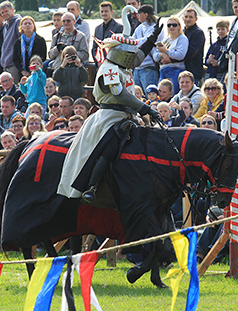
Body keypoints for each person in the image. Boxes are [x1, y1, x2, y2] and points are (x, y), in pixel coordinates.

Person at [58, 5, 161, 202]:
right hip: (109, 117)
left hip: (128, 115)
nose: (133, 58)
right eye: (129, 54)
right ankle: (92, 186)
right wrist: (145, 108)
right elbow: (119, 93)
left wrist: (152, 38)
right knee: (111, 142)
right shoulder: (109, 68)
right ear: (120, 53)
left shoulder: (122, 66)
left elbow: (138, 57)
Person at [153, 15, 188, 93]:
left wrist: (166, 52)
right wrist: (162, 55)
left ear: (179, 26)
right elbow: (155, 56)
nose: (171, 27)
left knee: (173, 95)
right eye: (169, 25)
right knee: (161, 95)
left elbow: (180, 55)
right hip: (162, 70)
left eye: (174, 25)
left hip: (176, 70)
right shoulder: (165, 40)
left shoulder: (182, 38)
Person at [133, 5, 164, 92]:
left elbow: (146, 41)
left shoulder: (155, 28)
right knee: (137, 96)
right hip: (137, 68)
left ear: (145, 15)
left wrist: (135, 42)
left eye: (139, 13)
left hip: (149, 67)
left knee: (150, 96)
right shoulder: (139, 28)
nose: (137, 15)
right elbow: (132, 41)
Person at [13, 16, 47, 81]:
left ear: (33, 26)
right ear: (21, 27)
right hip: (23, 74)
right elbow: (15, 59)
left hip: (37, 72)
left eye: (29, 23)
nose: (27, 25)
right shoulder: (17, 42)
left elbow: (43, 56)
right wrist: (22, 70)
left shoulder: (40, 40)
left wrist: (35, 68)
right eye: (25, 24)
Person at [92, 2, 123, 67]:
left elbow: (119, 48)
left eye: (106, 11)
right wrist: (98, 62)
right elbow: (94, 47)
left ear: (111, 12)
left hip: (113, 66)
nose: (104, 14)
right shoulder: (97, 28)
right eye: (102, 11)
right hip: (99, 66)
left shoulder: (119, 27)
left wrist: (108, 62)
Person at [0, 1, 22, 84]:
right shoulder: (5, 26)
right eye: (2, 13)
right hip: (5, 64)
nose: (4, 14)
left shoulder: (18, 22)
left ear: (12, 9)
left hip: (13, 64)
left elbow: (21, 42)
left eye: (6, 11)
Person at [182, 8, 205, 86]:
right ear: (183, 18)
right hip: (182, 72)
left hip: (193, 73)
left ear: (196, 19)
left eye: (191, 17)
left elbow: (191, 53)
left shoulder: (198, 33)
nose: (188, 19)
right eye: (186, 17)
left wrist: (172, 58)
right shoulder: (181, 32)